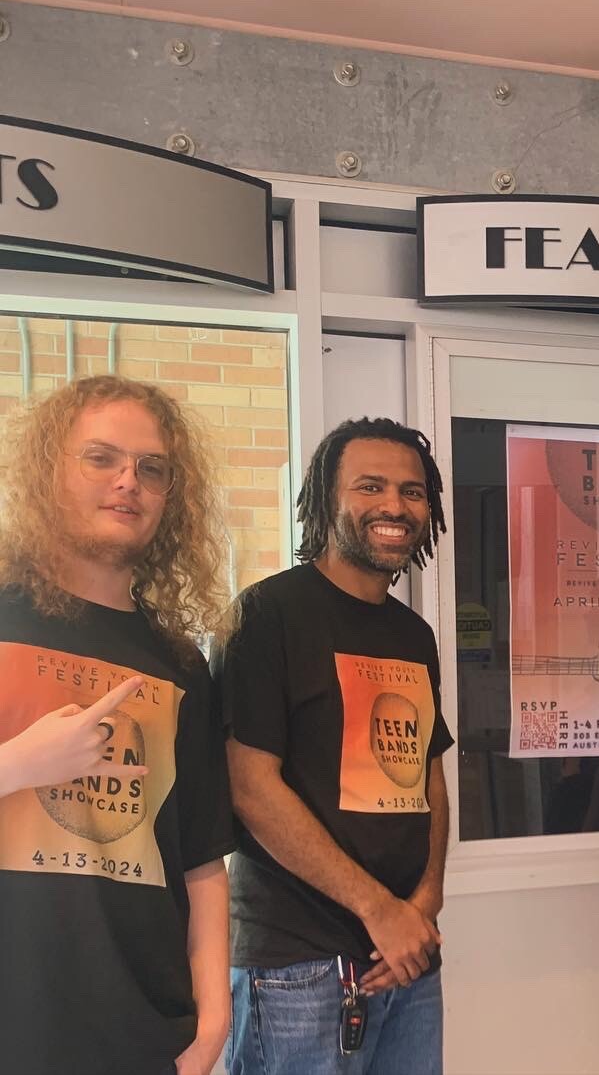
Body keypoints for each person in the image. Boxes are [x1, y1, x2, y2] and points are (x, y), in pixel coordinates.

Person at [0, 375, 233, 1075]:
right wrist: (19, 763)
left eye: (151, 468)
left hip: (144, 1032)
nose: (128, 480)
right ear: (49, 473)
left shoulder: (179, 663)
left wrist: (214, 1014)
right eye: (100, 457)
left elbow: (200, 860)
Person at [217, 417, 454, 1075]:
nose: (395, 506)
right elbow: (251, 786)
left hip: (405, 957)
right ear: (328, 499)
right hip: (300, 964)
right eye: (371, 486)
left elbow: (427, 780)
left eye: (412, 491)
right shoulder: (267, 615)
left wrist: (422, 907)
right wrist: (381, 910)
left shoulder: (414, 635)